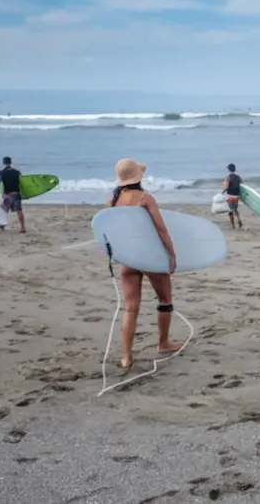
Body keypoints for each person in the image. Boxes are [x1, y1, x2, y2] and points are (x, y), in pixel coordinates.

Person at [110, 158, 180, 369]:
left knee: (130, 308)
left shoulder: (113, 201)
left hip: (128, 259)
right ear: (138, 176)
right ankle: (163, 343)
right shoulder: (145, 198)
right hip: (150, 257)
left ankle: (126, 356)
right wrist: (172, 254)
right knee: (165, 300)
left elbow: (112, 233)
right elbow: (161, 229)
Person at [0, 156, 25, 233]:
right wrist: (24, 194)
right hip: (16, 194)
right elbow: (22, 184)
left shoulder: (0, 173)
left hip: (7, 195)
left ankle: (2, 227)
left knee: (4, 211)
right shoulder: (17, 172)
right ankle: (23, 227)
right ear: (11, 163)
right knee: (19, 211)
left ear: (3, 163)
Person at [223, 163, 243, 229]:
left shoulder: (228, 177)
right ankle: (239, 219)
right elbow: (242, 185)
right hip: (237, 197)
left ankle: (233, 226)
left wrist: (222, 193)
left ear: (228, 170)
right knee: (235, 209)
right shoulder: (238, 177)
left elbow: (226, 187)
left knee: (230, 211)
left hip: (230, 197)